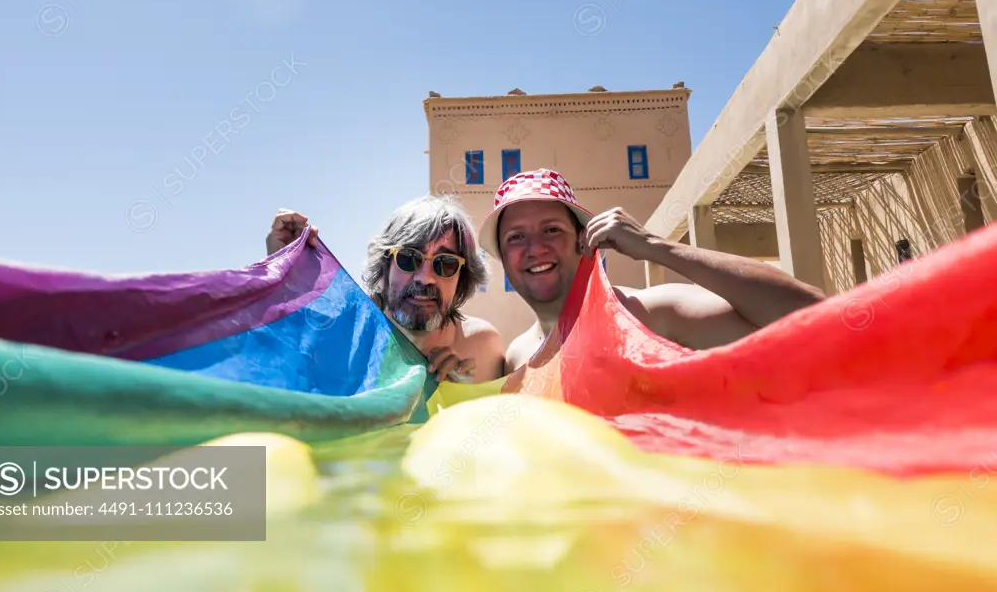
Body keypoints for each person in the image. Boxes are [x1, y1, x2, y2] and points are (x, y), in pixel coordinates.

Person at [476, 168, 828, 373]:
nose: (536, 248)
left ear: (583, 241)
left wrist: (658, 247)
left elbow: (812, 313)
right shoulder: (518, 358)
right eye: (516, 237)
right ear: (505, 260)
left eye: (552, 229)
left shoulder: (649, 316)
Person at [266, 195, 506, 384]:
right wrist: (281, 273)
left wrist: (462, 398)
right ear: (385, 266)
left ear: (462, 277)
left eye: (446, 263)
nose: (425, 278)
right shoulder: (345, 335)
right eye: (408, 259)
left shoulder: (481, 347)